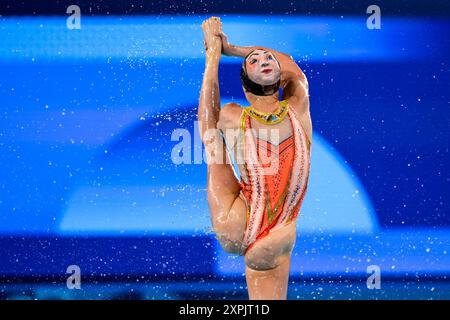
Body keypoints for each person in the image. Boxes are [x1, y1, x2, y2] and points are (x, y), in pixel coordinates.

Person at [198, 16, 312, 300]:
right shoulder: (234, 115)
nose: (264, 59)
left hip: (265, 238)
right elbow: (207, 124)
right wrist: (212, 56)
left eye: (268, 58)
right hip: (238, 218)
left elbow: (291, 66)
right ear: (247, 86)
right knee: (213, 144)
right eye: (254, 60)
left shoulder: (297, 104)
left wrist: (232, 49)